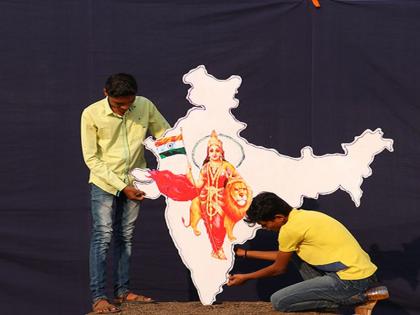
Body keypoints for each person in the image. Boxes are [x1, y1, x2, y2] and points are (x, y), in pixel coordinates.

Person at [81, 73, 170, 314]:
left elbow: (166, 136)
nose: (124, 109)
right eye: (119, 104)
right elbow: (91, 158)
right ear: (105, 93)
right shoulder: (91, 114)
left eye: (129, 104)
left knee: (126, 237)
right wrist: (122, 187)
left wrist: (176, 163)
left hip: (135, 180)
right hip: (104, 183)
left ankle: (123, 292)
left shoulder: (145, 105)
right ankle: (99, 297)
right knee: (103, 237)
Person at [228, 192, 389, 315]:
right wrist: (245, 253)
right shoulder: (304, 217)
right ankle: (337, 298)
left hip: (352, 281)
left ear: (279, 217)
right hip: (361, 274)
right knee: (296, 256)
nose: (265, 228)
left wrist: (246, 277)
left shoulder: (289, 230)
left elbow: (279, 268)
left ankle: (362, 297)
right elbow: (284, 256)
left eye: (265, 224)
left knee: (279, 301)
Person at [186, 130, 248, 260]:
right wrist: (189, 176)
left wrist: (231, 181)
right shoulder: (205, 167)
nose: (214, 153)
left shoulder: (227, 166)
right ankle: (216, 250)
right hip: (206, 198)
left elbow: (239, 180)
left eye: (217, 150)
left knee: (219, 224)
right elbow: (198, 185)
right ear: (208, 154)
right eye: (211, 151)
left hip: (221, 198)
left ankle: (218, 248)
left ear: (221, 152)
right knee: (209, 225)